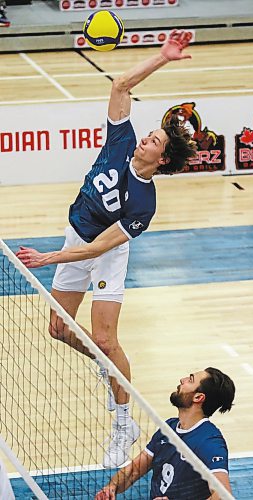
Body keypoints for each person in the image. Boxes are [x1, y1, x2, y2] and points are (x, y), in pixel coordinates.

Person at [16, 30, 197, 469]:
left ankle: (122, 422)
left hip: (102, 253)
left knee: (103, 337)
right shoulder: (120, 141)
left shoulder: (143, 204)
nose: (145, 140)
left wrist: (47, 259)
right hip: (76, 234)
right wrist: (162, 57)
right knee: (59, 330)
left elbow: (100, 247)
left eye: (154, 141)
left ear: (163, 160)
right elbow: (120, 86)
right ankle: (107, 363)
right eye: (149, 134)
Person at [95, 367, 235, 500]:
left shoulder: (209, 441)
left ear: (198, 397)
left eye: (190, 380)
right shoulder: (169, 427)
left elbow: (223, 495)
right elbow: (135, 470)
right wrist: (112, 487)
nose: (182, 380)